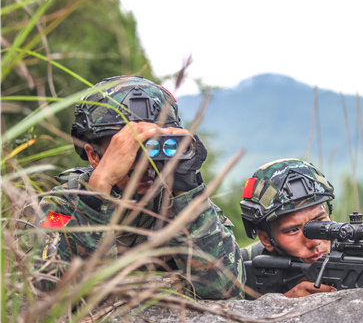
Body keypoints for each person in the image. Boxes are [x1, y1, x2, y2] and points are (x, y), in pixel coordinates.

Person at [37, 75, 244, 299]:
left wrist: (187, 189)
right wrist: (97, 193)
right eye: (128, 149)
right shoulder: (60, 208)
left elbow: (225, 289)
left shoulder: (178, 203)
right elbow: (49, 288)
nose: (146, 163)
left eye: (154, 146)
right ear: (93, 155)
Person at [240, 158, 338, 298]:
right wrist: (282, 302)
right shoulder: (239, 266)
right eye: (293, 230)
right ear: (266, 239)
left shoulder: (354, 251)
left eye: (320, 220)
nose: (314, 242)